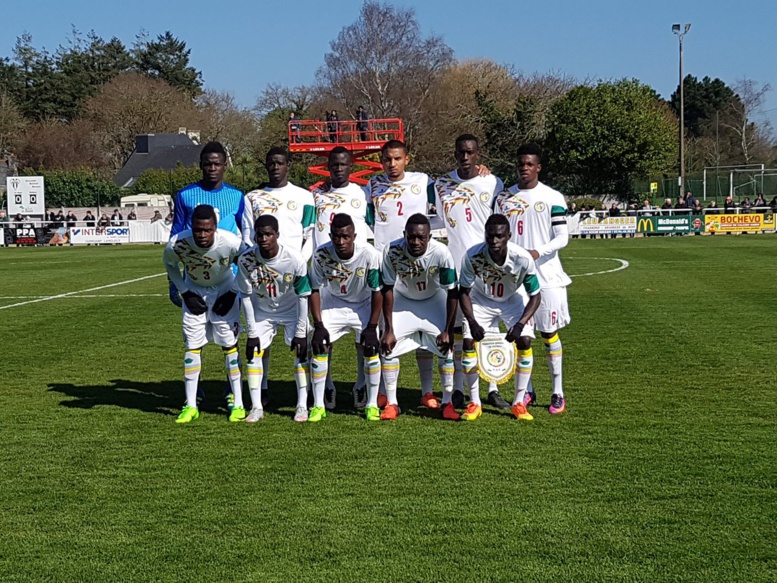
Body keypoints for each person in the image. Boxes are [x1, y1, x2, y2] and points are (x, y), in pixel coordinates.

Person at [494, 143, 571, 414]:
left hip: (547, 277)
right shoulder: (503, 198)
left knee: (549, 334)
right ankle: (525, 391)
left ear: (538, 167)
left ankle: (557, 392)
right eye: (520, 164)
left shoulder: (552, 197)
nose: (524, 168)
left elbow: (563, 237)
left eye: (530, 164)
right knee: (520, 336)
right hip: (514, 280)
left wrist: (538, 252)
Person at [433, 134, 508, 410]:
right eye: (460, 153)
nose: (465, 157)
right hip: (454, 266)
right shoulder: (441, 184)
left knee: (487, 328)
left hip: (486, 266)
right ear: (454, 154)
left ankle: (493, 386)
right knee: (453, 330)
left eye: (470, 152)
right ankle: (455, 390)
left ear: (478, 155)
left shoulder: (493, 182)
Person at [243, 147, 316, 403]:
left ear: (288, 165)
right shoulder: (252, 197)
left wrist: (298, 264)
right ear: (266, 165)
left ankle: (306, 397)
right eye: (271, 163)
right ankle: (261, 390)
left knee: (299, 336)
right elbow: (246, 236)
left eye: (280, 163)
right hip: (263, 273)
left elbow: (310, 235)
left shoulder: (305, 196)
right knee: (263, 336)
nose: (275, 167)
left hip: (293, 274)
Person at [162, 205, 244, 424]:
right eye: (198, 230)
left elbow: (248, 263)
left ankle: (237, 403)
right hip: (194, 291)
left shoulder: (231, 242)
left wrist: (233, 292)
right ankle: (190, 405)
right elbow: (169, 264)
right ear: (192, 227)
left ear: (215, 228)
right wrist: (185, 291)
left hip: (224, 290)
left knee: (229, 345)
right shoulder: (178, 243)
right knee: (192, 346)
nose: (202, 235)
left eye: (207, 230)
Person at [458, 215, 541, 421]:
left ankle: (519, 403)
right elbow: (463, 292)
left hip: (511, 300)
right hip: (480, 299)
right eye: (490, 236)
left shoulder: (522, 258)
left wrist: (520, 324)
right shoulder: (472, 256)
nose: (494, 241)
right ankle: (475, 403)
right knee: (469, 342)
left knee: (525, 340)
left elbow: (535, 296)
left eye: (499, 236)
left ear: (508, 236)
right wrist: (473, 322)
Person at [380, 214, 457, 419]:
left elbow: (452, 291)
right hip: (404, 301)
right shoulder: (391, 250)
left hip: (433, 299)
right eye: (411, 237)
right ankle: (392, 403)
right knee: (388, 346)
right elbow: (387, 288)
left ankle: (447, 402)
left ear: (429, 237)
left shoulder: (441, 252)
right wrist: (388, 329)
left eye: (421, 237)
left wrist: (448, 330)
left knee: (446, 348)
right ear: (404, 234)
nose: (415, 242)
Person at [236, 215, 311, 423]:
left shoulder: (295, 260)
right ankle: (256, 407)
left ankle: (302, 405)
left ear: (277, 235)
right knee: (253, 353)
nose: (263, 238)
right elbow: (246, 297)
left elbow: (304, 297)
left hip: (291, 310)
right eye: (259, 234)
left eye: (268, 234)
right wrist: (251, 334)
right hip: (262, 311)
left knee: (301, 351)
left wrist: (300, 333)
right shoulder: (245, 260)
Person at [308, 213, 383, 422]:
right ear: (330, 236)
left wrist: (372, 326)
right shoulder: (321, 254)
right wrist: (318, 324)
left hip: (363, 303)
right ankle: (320, 401)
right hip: (333, 302)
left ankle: (368, 399)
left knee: (370, 347)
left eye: (346, 237)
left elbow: (377, 291)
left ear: (354, 236)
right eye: (336, 237)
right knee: (320, 344)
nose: (340, 242)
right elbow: (314, 289)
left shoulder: (370, 255)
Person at [169, 141, 248, 313]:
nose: (212, 168)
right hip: (194, 274)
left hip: (229, 273)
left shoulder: (237, 196)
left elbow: (246, 232)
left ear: (225, 165)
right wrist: (173, 282)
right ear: (200, 165)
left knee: (229, 332)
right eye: (208, 164)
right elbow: (175, 236)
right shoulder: (185, 195)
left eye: (217, 164)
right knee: (194, 332)